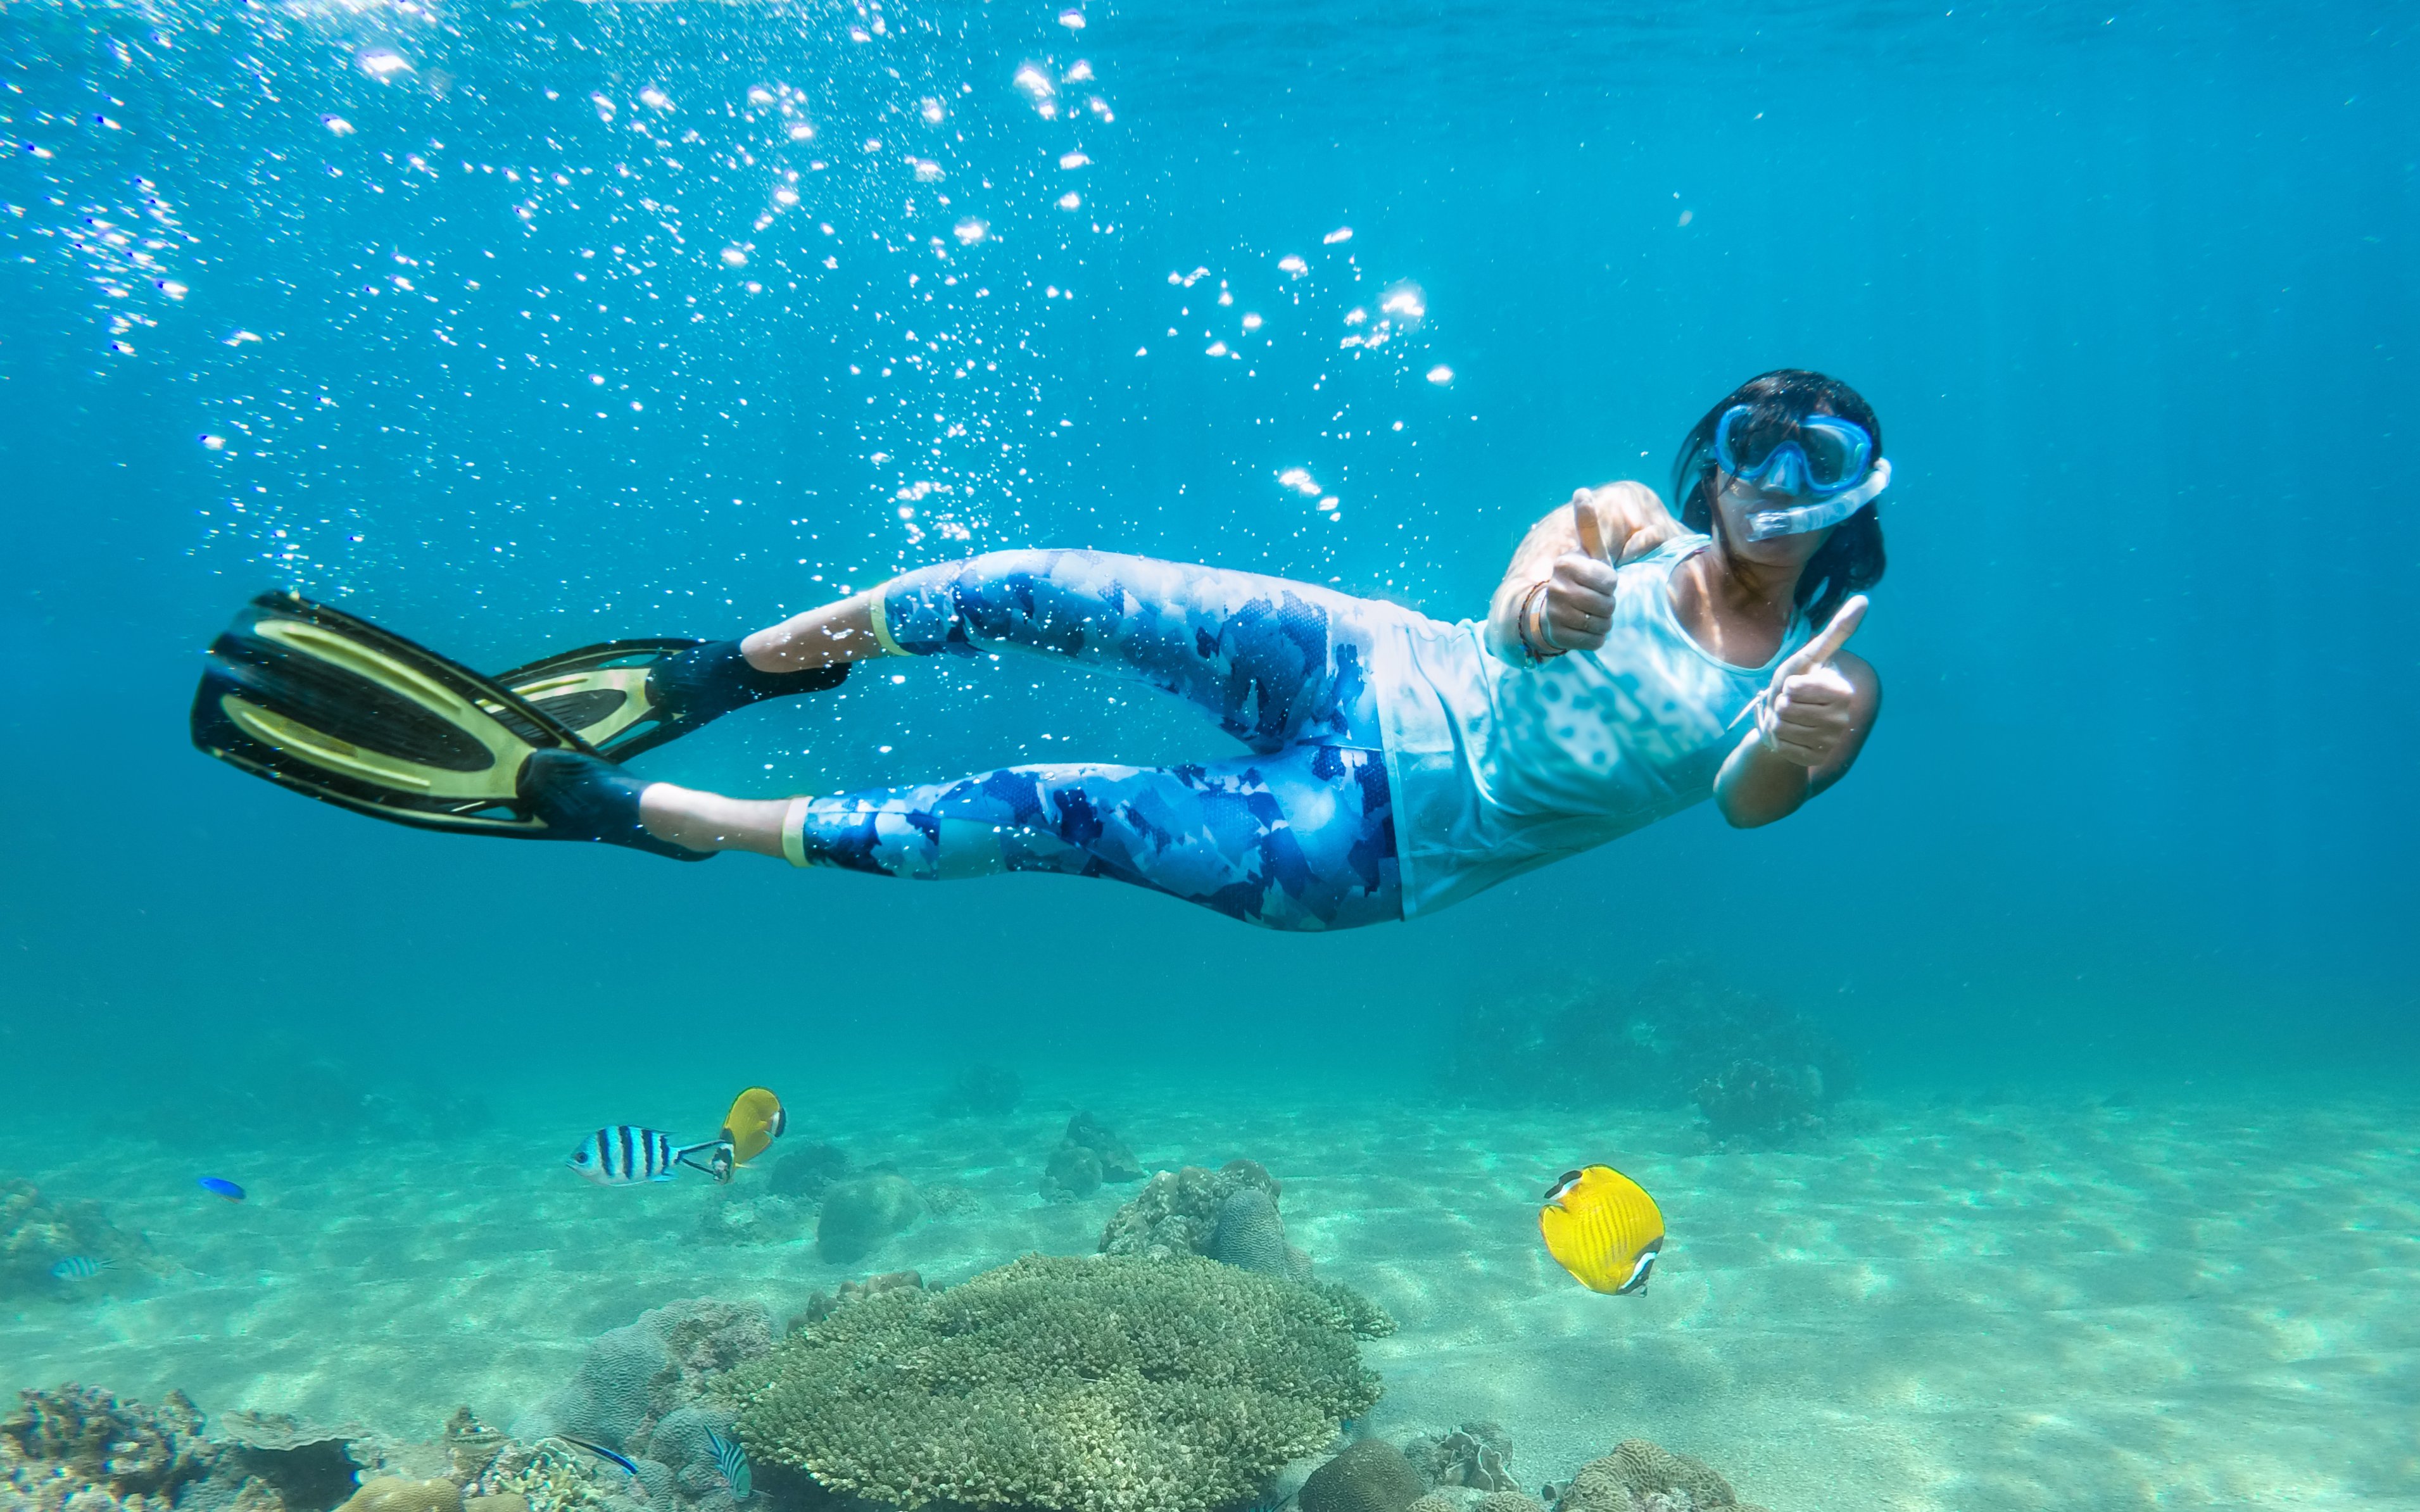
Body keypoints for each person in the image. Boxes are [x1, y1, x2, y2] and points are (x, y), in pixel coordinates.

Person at [192, 369, 1887, 931]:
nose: (1762, 486)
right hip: (1369, 664)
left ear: (1850, 504)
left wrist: (1799, 747)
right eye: (1747, 442)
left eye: (1809, 468)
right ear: (1709, 452)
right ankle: (736, 667)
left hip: (1381, 848)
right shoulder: (1616, 518)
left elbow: (1746, 810)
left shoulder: (1828, 682)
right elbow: (1520, 601)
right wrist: (1544, 608)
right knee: (1050, 575)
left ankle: (653, 818)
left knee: (1036, 804)